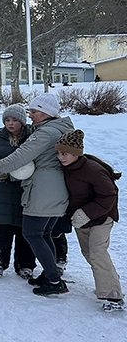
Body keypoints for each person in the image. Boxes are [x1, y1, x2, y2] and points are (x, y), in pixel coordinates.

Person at [0, 93, 74, 296]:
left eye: (33, 111)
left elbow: (20, 156)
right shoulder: (59, 128)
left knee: (32, 233)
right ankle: (50, 274)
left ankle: (54, 280)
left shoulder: (45, 133)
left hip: (43, 189)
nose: (31, 115)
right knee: (44, 234)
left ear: (45, 112)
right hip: (56, 189)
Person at [56, 129, 124, 311]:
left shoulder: (93, 170)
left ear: (76, 153)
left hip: (102, 218)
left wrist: (85, 213)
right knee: (89, 254)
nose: (60, 157)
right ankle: (111, 283)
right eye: (58, 153)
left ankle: (112, 296)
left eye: (65, 153)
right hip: (81, 221)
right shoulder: (66, 168)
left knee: (97, 253)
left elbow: (109, 195)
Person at [0, 104, 37, 279]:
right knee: (3, 230)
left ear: (22, 121)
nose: (10, 123)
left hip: (26, 192)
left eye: (14, 120)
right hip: (2, 193)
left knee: (26, 231)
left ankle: (25, 265)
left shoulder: (33, 141)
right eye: (7, 120)